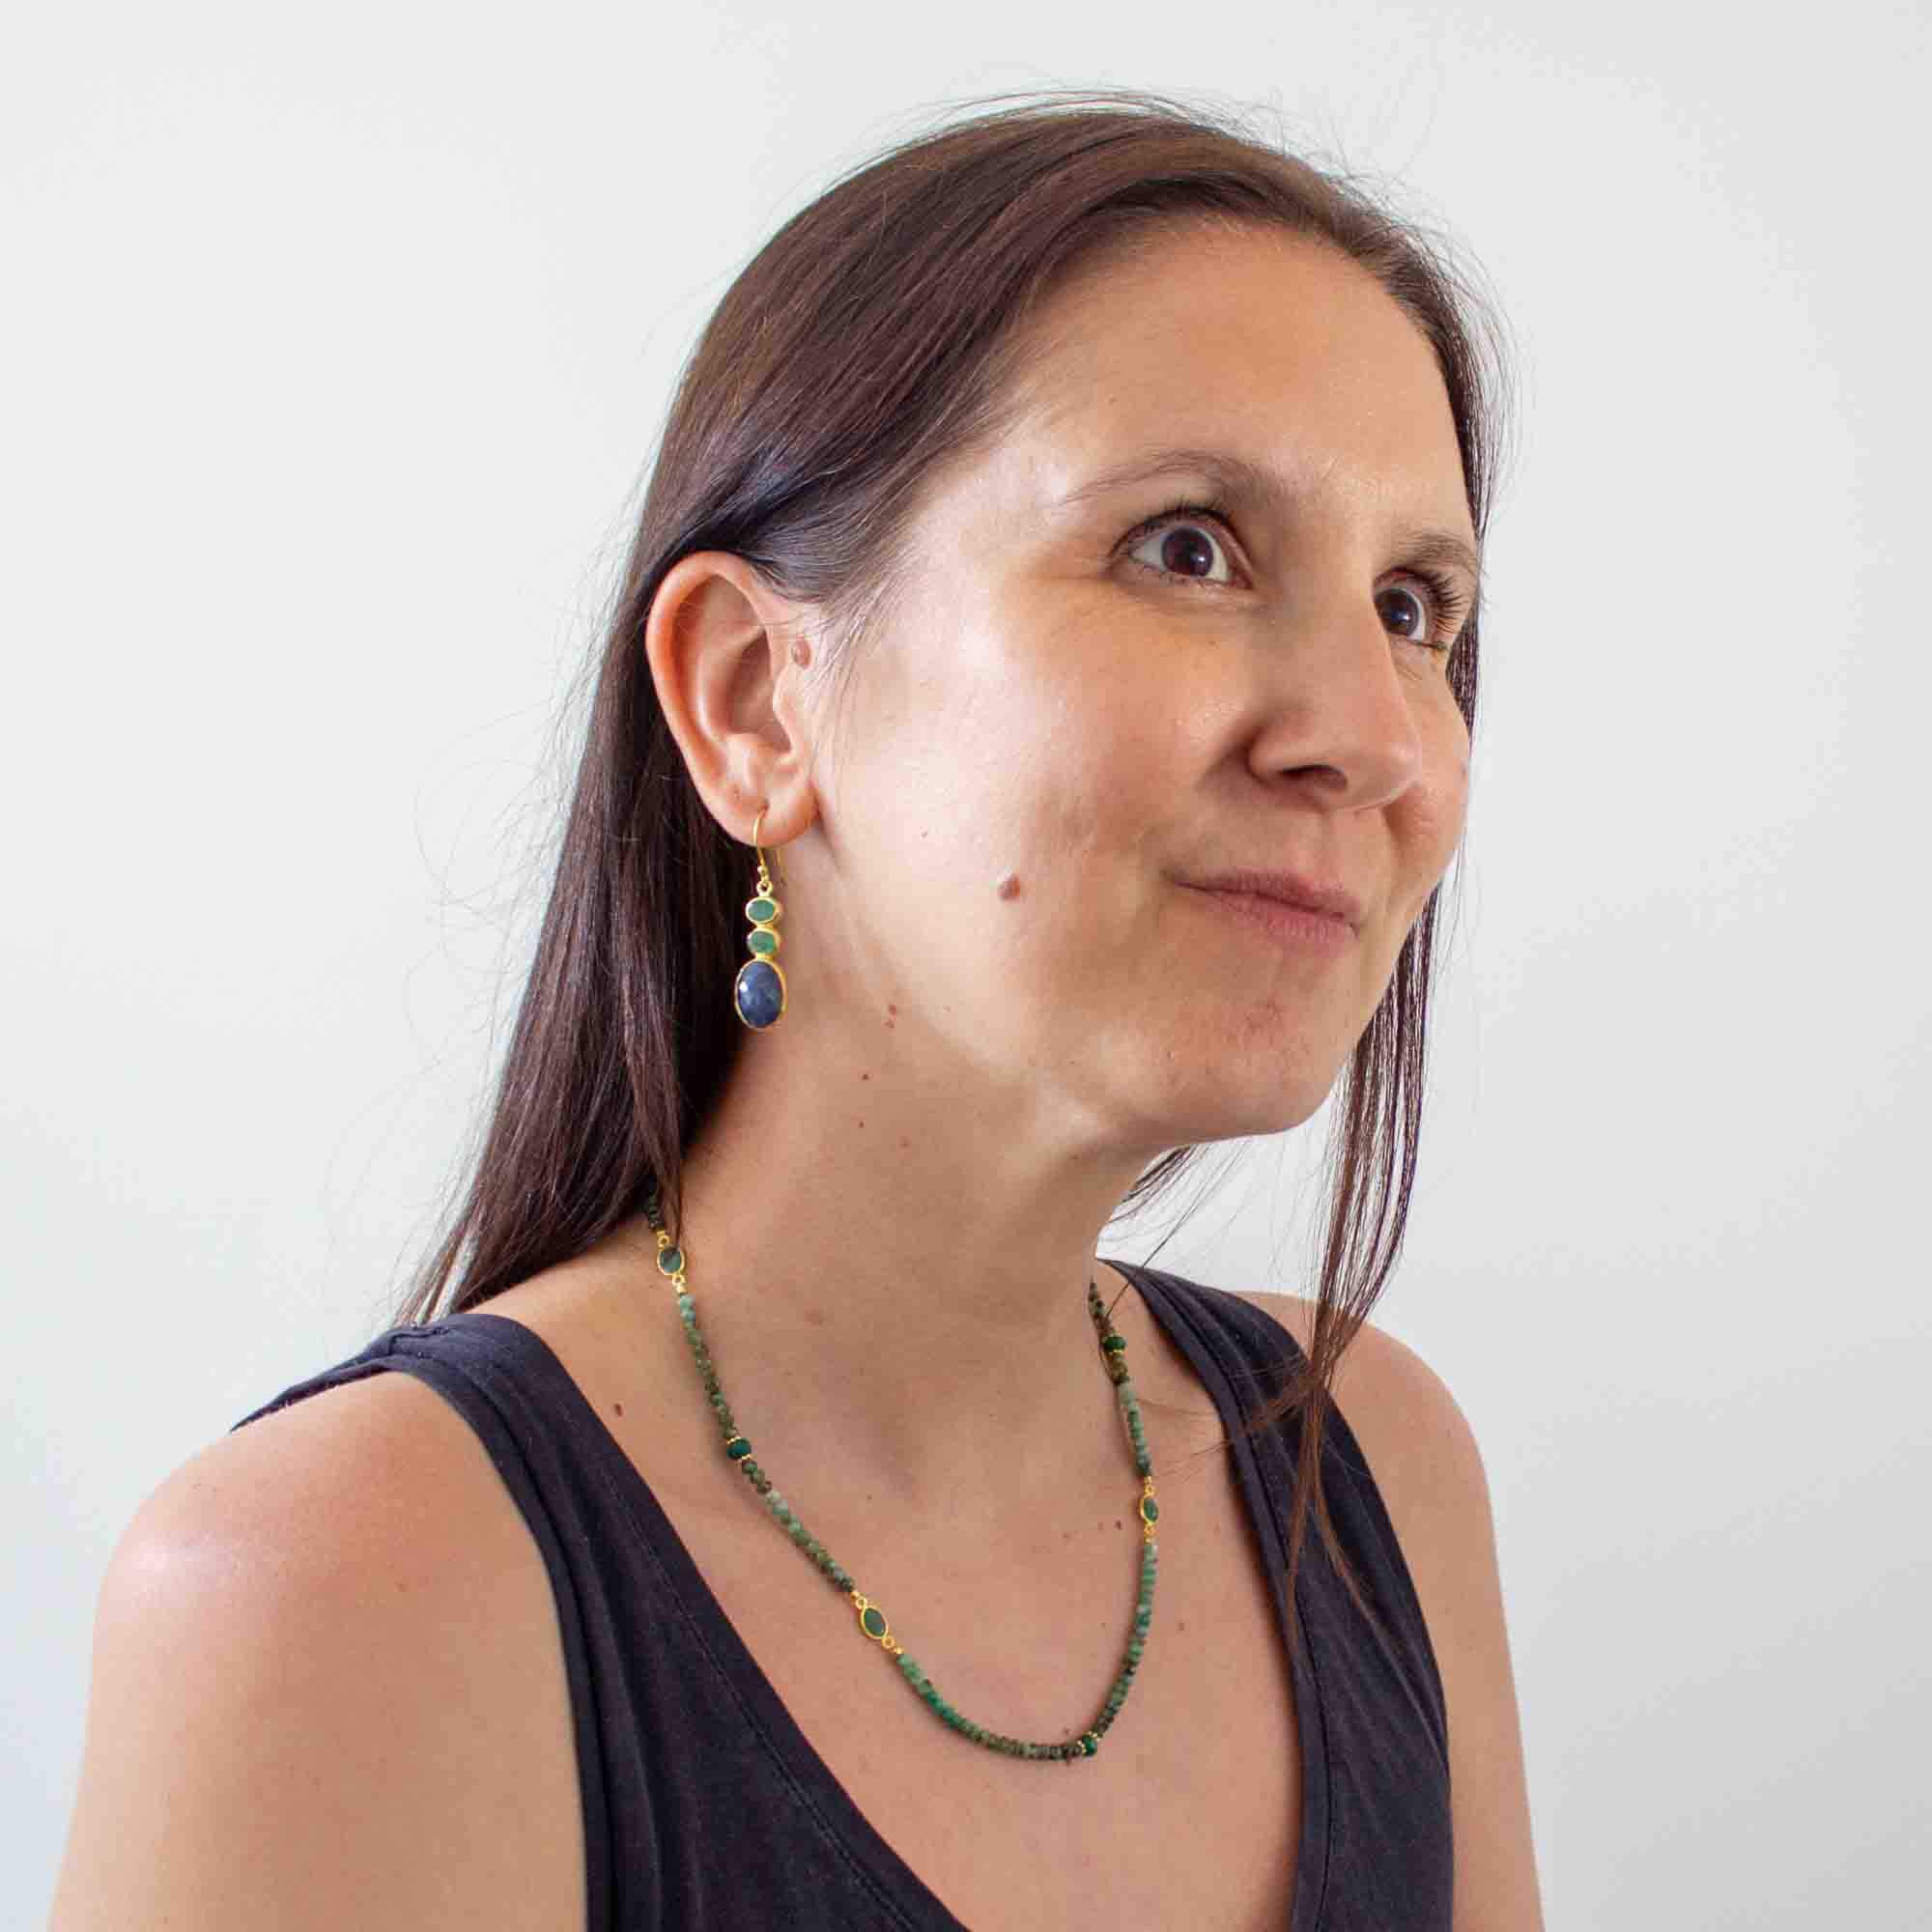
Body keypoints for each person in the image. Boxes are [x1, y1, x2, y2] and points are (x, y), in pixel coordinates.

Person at [49, 92, 1541, 1930]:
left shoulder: (1369, 1469)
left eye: (1416, 605)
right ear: (756, 698)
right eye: (1187, 546)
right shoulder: (351, 1586)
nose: (1373, 738)